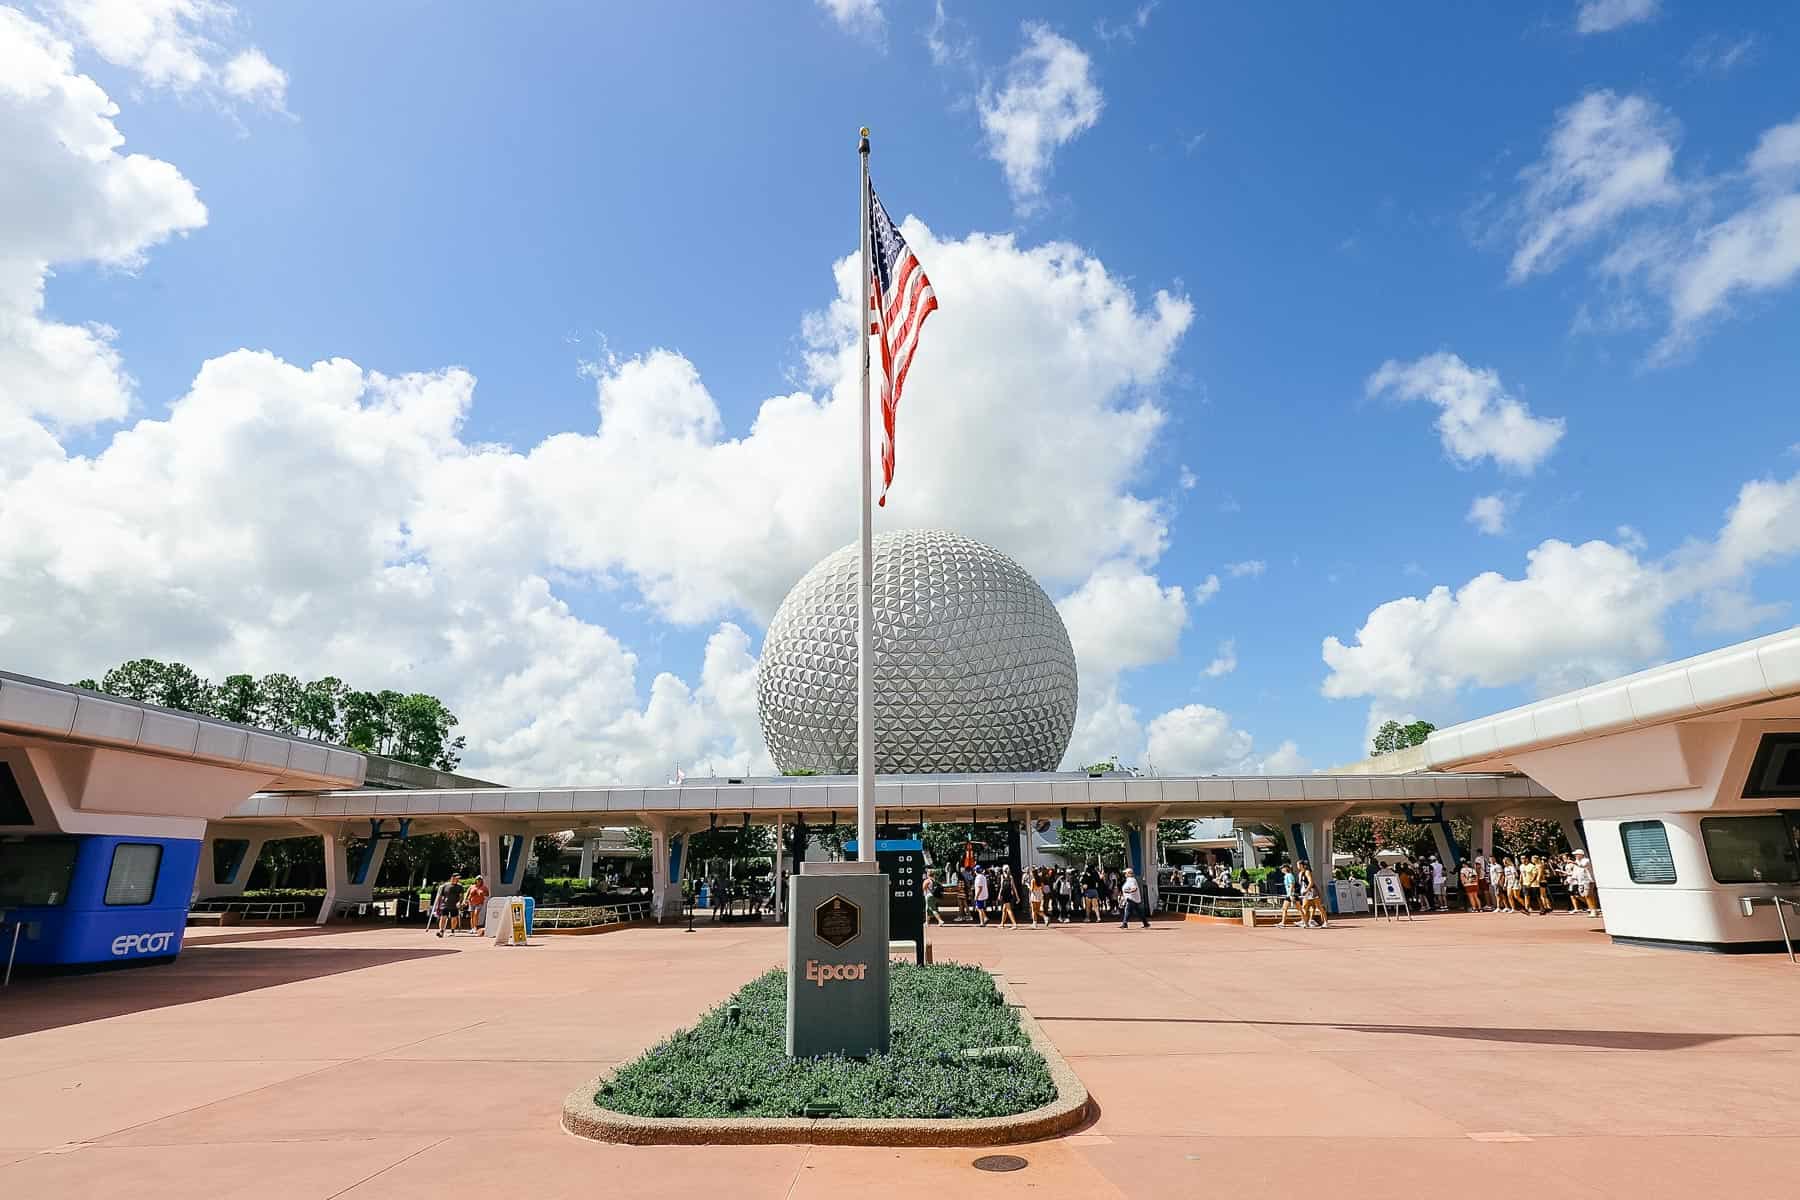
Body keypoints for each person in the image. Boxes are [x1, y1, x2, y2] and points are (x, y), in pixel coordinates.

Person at [432, 873, 465, 938]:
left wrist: (459, 902)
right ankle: (441, 931)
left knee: (454, 918)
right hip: (445, 905)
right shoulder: (445, 886)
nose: (457, 879)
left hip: (454, 905)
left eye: (458, 878)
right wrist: (438, 906)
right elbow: (440, 896)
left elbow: (461, 896)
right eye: (456, 878)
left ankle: (452, 931)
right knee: (443, 917)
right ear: (452, 878)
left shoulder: (460, 886)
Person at [1298, 862, 1326, 928]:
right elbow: (1301, 883)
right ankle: (1305, 922)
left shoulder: (1307, 872)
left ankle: (1325, 922)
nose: (1297, 866)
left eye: (1299, 865)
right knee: (1304, 907)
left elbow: (1311, 882)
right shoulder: (1301, 873)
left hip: (1311, 892)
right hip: (1306, 893)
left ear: (1303, 865)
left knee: (1319, 907)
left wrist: (1306, 890)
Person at [1278, 861, 1303, 928]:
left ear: (1286, 868)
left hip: (1291, 894)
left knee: (1298, 908)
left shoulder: (1289, 875)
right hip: (1290, 894)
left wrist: (1291, 894)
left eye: (1282, 868)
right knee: (1285, 908)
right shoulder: (1287, 876)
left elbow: (1292, 884)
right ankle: (1283, 922)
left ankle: (1304, 921)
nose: (1281, 870)